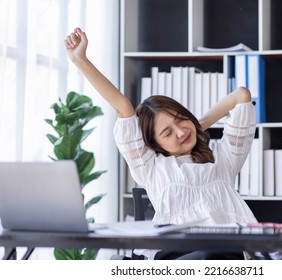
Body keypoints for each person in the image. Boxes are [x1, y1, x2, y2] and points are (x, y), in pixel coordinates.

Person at [64, 27, 258, 260]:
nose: (179, 132)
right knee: (210, 254)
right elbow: (123, 107)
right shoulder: (152, 168)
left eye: (180, 120)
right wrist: (80, 59)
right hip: (177, 256)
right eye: (167, 132)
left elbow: (242, 95)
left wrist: (197, 124)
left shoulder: (223, 161)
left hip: (229, 256)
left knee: (220, 253)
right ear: (154, 143)